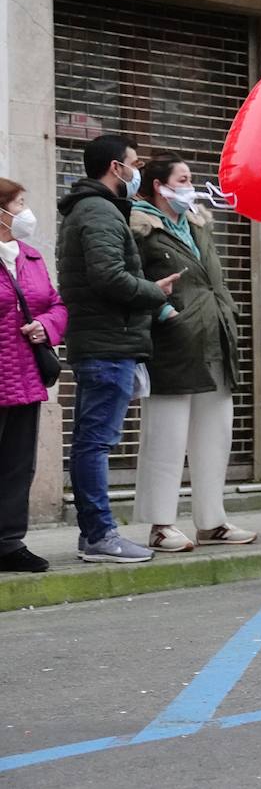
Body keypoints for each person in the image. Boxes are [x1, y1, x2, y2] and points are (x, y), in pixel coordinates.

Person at [58, 135, 179, 564]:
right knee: (96, 443)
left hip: (105, 341)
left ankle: (92, 532)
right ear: (116, 167)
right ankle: (100, 536)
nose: (138, 171)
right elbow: (109, 277)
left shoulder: (92, 210)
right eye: (135, 163)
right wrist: (153, 290)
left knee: (91, 441)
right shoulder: (99, 212)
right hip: (108, 343)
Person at [130, 154, 255, 551]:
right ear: (159, 186)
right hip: (171, 340)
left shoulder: (198, 224)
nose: (190, 185)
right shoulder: (139, 228)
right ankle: (161, 524)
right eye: (182, 179)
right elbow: (130, 279)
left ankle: (212, 521)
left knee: (215, 432)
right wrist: (164, 312)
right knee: (165, 436)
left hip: (214, 335)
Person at [0, 178, 67, 573]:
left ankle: (8, 543)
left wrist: (46, 325)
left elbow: (57, 305)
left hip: (24, 378)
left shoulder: (30, 256)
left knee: (17, 466)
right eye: (19, 203)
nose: (26, 212)